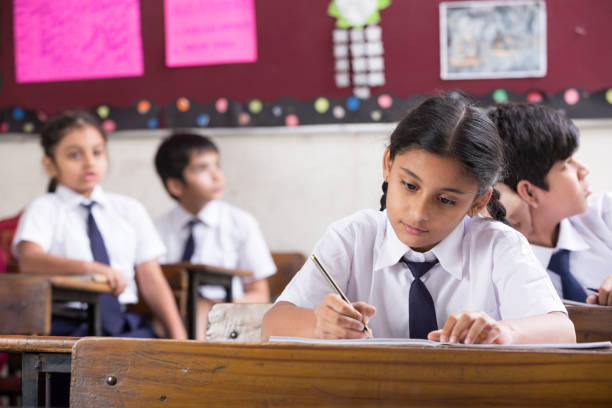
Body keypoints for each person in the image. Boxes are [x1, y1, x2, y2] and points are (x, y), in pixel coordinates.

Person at [261, 93, 575, 344]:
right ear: (388, 164)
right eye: (410, 186)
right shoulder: (352, 237)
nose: (419, 212)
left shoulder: (498, 245)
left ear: (478, 202)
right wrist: (319, 324)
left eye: (446, 200)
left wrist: (504, 332)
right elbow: (272, 324)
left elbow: (562, 331)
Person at [12, 111, 187, 339]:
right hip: (66, 327)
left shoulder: (129, 209)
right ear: (50, 165)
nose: (89, 162)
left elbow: (152, 280)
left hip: (121, 326)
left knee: (146, 350)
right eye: (74, 155)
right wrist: (91, 269)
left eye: (97, 152)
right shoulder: (44, 208)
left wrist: (180, 338)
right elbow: (30, 260)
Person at [154, 133, 276, 340]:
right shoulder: (157, 229)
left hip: (228, 319)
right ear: (176, 185)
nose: (216, 176)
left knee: (201, 309)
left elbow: (260, 293)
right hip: (173, 319)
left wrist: (219, 309)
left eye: (217, 165)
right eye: (202, 168)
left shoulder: (240, 223)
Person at [489, 102, 612, 306]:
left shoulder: (604, 212)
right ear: (529, 192)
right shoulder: (499, 264)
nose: (583, 170)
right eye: (566, 164)